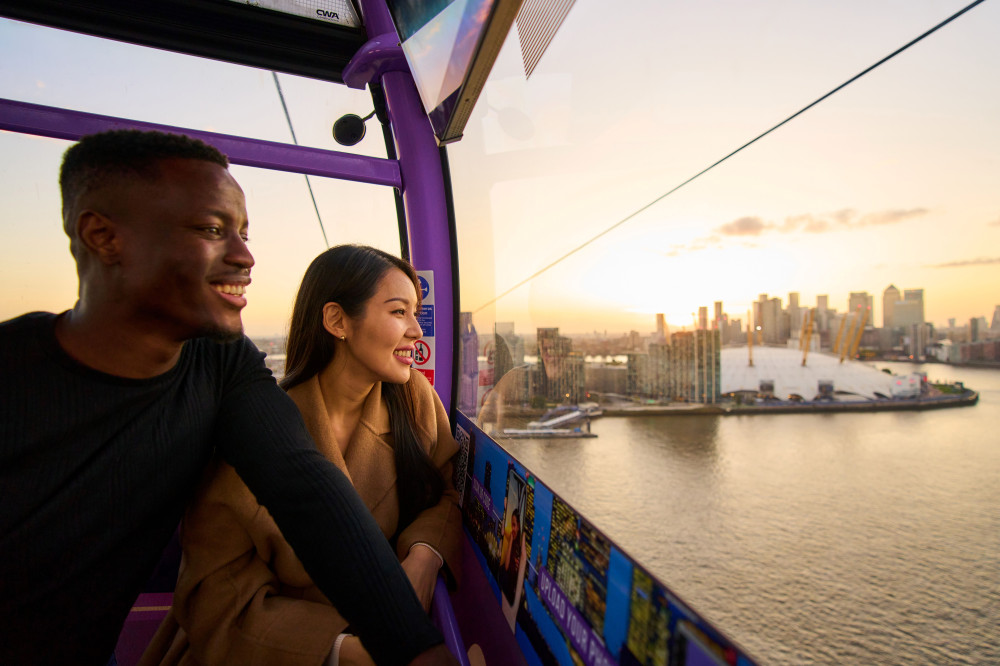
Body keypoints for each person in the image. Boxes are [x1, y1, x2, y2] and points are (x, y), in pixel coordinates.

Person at [0, 131, 456, 666]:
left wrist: (415, 650)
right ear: (104, 236)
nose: (245, 256)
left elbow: (305, 489)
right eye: (212, 230)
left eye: (243, 233)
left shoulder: (222, 365)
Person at [142, 245, 462, 665]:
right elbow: (215, 602)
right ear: (337, 320)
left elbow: (447, 491)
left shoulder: (413, 401)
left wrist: (424, 555)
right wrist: (342, 649)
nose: (416, 333)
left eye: (415, 314)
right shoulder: (253, 434)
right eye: (398, 312)